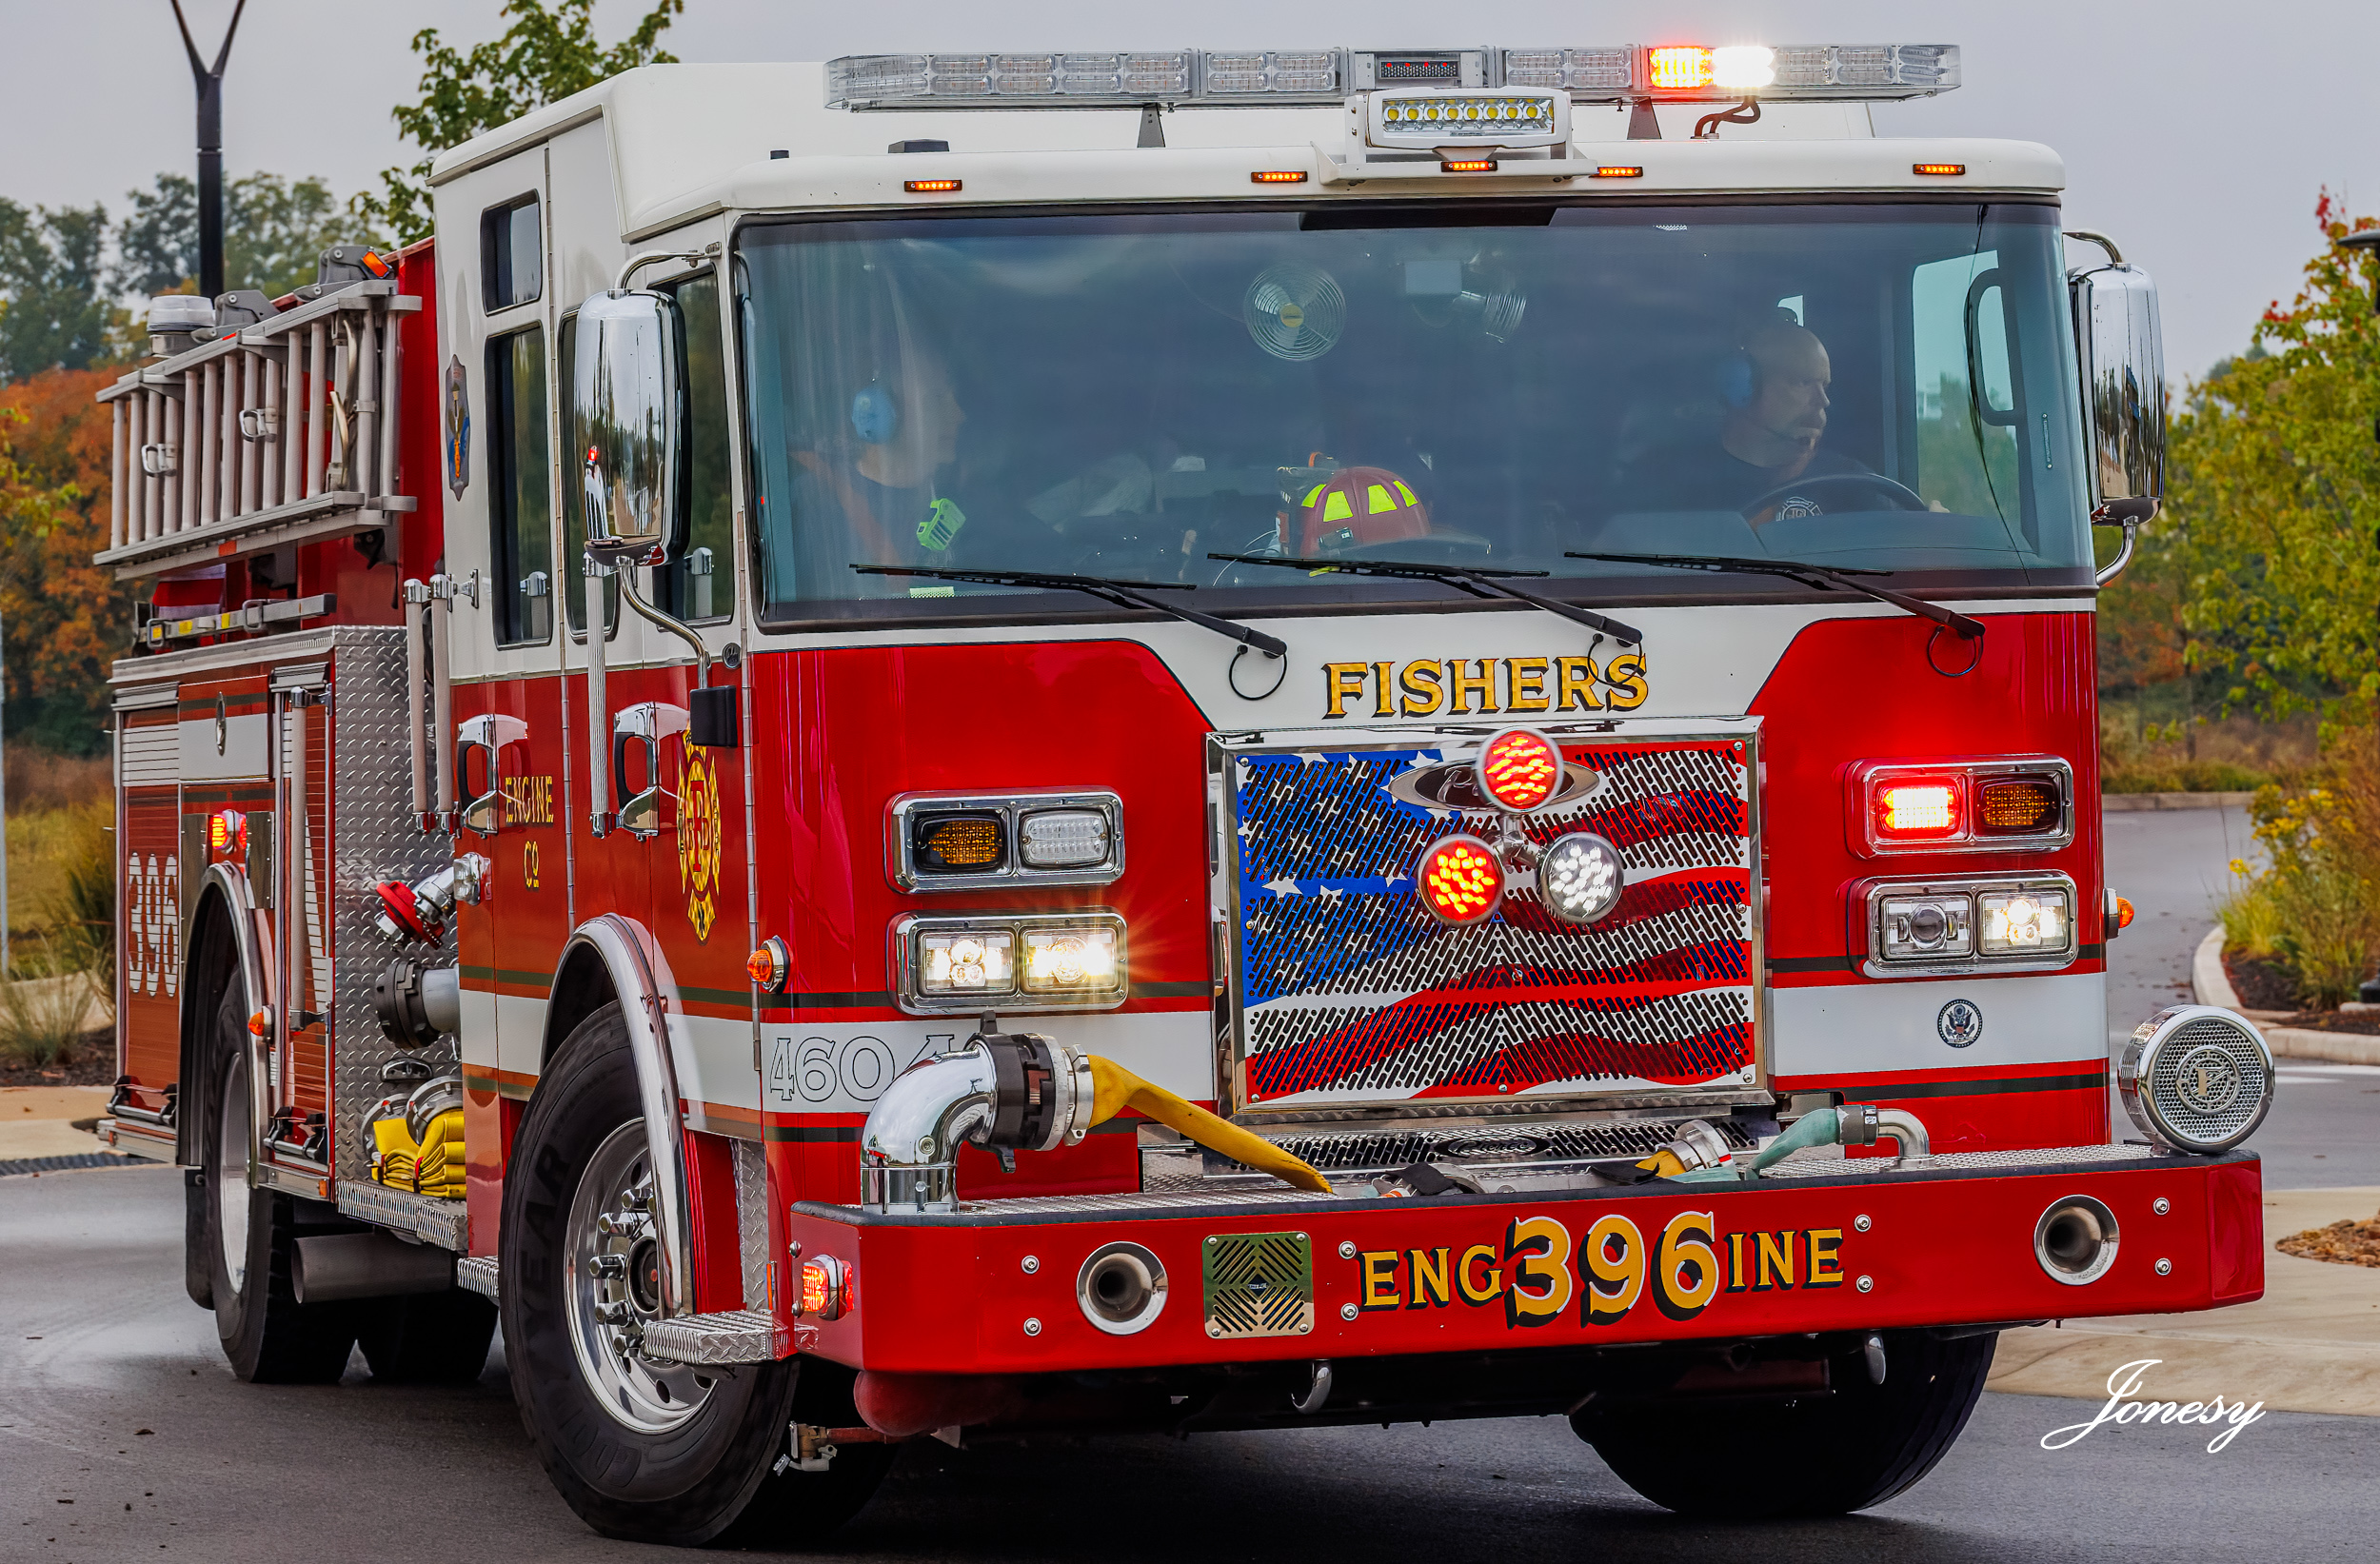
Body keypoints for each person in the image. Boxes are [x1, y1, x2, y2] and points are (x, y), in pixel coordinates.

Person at [1612, 313, 1876, 523]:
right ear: (1741, 385)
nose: (1823, 400)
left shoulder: (1853, 483)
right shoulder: (1667, 480)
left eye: (1824, 386)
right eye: (1802, 383)